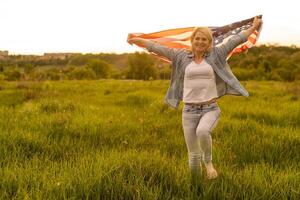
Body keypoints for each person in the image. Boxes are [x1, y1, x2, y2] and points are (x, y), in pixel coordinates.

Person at [127, 17, 263, 181]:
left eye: (204, 39)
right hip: (189, 111)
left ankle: (209, 163)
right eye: (197, 38)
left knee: (203, 131)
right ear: (192, 41)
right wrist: (136, 40)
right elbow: (156, 47)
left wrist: (253, 27)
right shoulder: (180, 56)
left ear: (209, 42)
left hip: (210, 109)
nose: (200, 42)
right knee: (192, 156)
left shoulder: (217, 54)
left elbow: (236, 39)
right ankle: (196, 187)